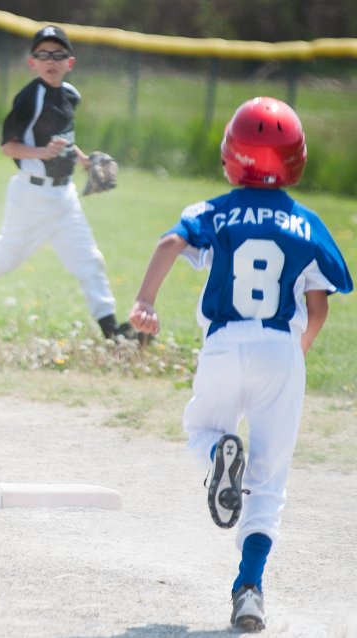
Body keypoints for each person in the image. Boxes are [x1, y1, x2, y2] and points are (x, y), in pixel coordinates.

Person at [128, 97, 352, 632]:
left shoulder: (217, 210)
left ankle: (218, 458)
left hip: (225, 343)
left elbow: (171, 240)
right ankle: (249, 590)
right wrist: (294, 354)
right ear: (296, 159)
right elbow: (319, 307)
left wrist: (145, 302)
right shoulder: (306, 223)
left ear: (232, 154)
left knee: (202, 429)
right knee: (268, 483)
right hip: (280, 349)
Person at [0, 25, 137, 342]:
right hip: (31, 196)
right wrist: (41, 153)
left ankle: (113, 333)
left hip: (64, 197)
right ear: (32, 62)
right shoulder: (29, 98)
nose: (51, 60)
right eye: (43, 54)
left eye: (58, 54)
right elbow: (8, 146)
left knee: (89, 260)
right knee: (4, 257)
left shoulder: (70, 95)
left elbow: (63, 140)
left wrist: (83, 160)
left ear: (70, 63)